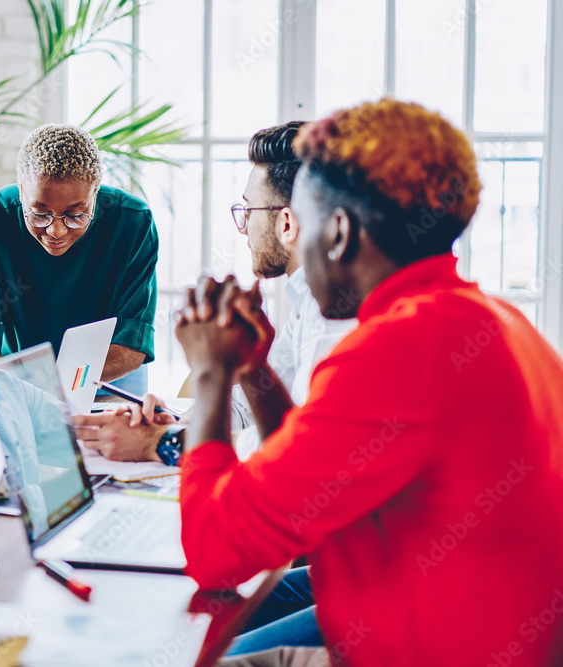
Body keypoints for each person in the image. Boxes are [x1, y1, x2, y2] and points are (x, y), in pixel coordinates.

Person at [176, 100, 563, 666]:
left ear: (337, 233)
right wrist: (254, 371)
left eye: (302, 227)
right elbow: (311, 494)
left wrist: (210, 374)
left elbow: (215, 552)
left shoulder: (395, 350)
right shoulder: (492, 319)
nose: (299, 255)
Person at [74, 122, 353, 467]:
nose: (243, 229)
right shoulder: (306, 303)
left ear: (286, 223)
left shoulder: (335, 321)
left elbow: (304, 451)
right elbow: (248, 410)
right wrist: (178, 421)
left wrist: (162, 444)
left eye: (248, 211)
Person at [0, 123, 158, 393]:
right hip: (19, 375)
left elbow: (133, 343)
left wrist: (56, 385)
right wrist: (18, 385)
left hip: (111, 371)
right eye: (39, 213)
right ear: (20, 191)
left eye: (76, 215)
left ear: (95, 192)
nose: (56, 230)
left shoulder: (133, 222)